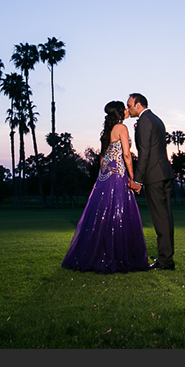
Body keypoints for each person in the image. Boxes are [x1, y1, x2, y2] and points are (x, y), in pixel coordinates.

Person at [62, 101, 149, 273]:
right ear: (118, 113)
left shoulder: (107, 131)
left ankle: (98, 253)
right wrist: (133, 178)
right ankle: (116, 255)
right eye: (124, 108)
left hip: (104, 177)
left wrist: (101, 178)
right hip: (117, 175)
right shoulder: (121, 128)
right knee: (119, 213)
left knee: (102, 214)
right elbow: (126, 154)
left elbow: (102, 158)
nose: (127, 110)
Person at [127, 93, 175, 270]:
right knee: (166, 218)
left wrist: (138, 180)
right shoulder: (156, 119)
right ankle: (167, 258)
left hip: (155, 176)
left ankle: (165, 260)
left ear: (139, 105)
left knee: (161, 219)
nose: (128, 109)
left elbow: (144, 152)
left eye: (130, 105)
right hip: (164, 173)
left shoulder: (145, 121)